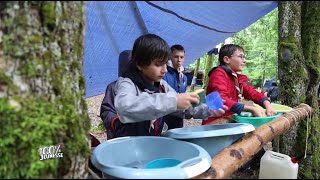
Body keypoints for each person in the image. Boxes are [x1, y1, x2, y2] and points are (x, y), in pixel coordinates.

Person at [114, 33, 226, 138]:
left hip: (151, 143)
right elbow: (125, 107)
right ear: (139, 64)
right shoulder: (127, 83)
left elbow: (183, 108)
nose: (164, 70)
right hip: (130, 146)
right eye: (158, 64)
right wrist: (173, 101)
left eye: (165, 63)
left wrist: (208, 110)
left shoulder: (162, 85)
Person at [204, 44, 275, 125]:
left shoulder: (236, 78)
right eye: (241, 56)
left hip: (228, 121)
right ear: (227, 59)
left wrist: (267, 104)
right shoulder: (218, 73)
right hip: (213, 123)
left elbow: (252, 93)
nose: (244, 60)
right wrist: (250, 108)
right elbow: (222, 99)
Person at [100, 50, 132, 140]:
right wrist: (115, 121)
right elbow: (106, 111)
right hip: (118, 137)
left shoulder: (144, 87)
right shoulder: (113, 87)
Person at [162, 44, 188, 129]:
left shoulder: (184, 77)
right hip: (164, 118)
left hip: (179, 118)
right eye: (176, 57)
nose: (179, 60)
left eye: (182, 57)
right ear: (170, 57)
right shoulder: (163, 74)